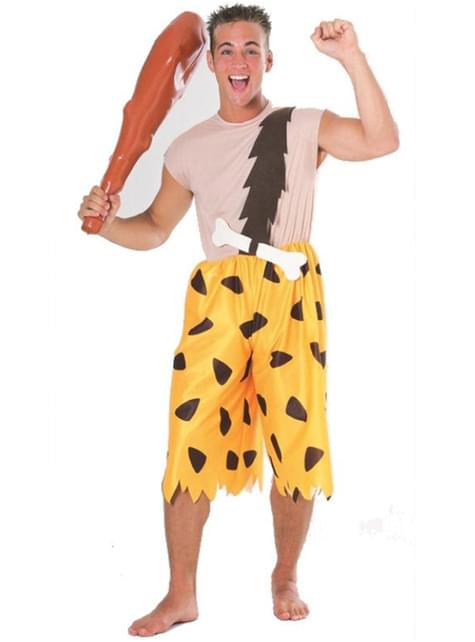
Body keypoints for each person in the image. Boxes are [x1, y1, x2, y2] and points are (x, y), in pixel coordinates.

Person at [78, 3, 399, 635]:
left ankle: (285, 574)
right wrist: (107, 222)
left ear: (268, 60)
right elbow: (155, 228)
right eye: (226, 49)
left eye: (251, 49)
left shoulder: (302, 125)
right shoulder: (187, 148)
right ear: (211, 64)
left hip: (289, 294)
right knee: (189, 439)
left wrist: (351, 57)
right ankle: (181, 595)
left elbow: (380, 140)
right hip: (217, 299)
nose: (239, 60)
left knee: (296, 439)